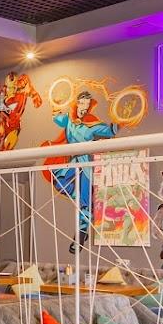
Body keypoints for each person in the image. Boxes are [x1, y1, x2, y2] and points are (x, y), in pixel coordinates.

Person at [41, 91, 117, 253]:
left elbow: (110, 131)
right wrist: (55, 105)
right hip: (73, 163)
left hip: (86, 165)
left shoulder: (92, 125)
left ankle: (80, 235)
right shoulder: (69, 120)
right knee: (59, 181)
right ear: (76, 104)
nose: (83, 107)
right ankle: (83, 203)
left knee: (85, 201)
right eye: (81, 103)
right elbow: (57, 118)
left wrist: (121, 121)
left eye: (87, 105)